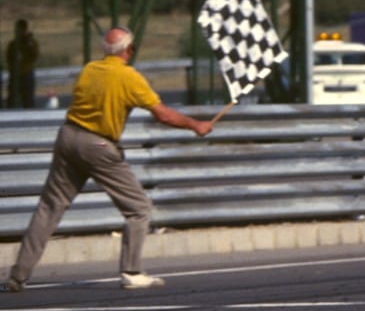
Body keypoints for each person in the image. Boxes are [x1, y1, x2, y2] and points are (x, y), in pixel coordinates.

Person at [5, 27, 213, 293]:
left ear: (105, 49)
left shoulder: (90, 69)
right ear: (129, 50)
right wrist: (196, 125)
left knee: (49, 207)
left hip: (68, 137)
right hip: (99, 145)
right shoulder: (130, 77)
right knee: (138, 207)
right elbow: (164, 115)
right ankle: (132, 271)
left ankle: (18, 275)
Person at [7, 18, 40, 109]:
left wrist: (28, 43)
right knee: (12, 99)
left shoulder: (31, 42)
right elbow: (9, 58)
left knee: (28, 99)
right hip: (15, 75)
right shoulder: (13, 44)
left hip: (26, 73)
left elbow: (34, 55)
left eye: (20, 30)